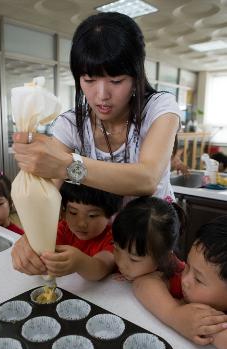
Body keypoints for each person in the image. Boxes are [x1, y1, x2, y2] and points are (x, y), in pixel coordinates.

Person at [11, 11, 181, 271]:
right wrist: (28, 236)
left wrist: (67, 166)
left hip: (148, 237)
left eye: (116, 80)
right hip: (101, 240)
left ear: (136, 75)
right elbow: (43, 193)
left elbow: (147, 178)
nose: (101, 95)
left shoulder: (159, 108)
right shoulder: (70, 123)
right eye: (89, 80)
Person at [132, 215, 227, 349]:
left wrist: (208, 327)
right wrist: (174, 314)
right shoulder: (185, 282)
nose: (185, 279)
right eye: (188, 266)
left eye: (199, 280)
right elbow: (142, 282)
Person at [12, 182, 122, 280]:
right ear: (63, 211)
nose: (81, 223)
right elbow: (43, 250)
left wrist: (79, 263)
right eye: (73, 212)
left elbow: (101, 267)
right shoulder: (63, 228)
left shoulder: (113, 238)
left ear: (111, 216)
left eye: (92, 215)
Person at [112, 196, 185, 282]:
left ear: (163, 258)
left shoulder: (182, 281)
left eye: (133, 259)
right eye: (116, 249)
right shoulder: (129, 262)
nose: (120, 263)